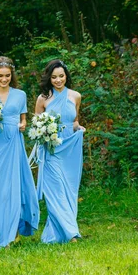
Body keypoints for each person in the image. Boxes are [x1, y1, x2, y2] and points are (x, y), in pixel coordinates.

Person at [0, 56, 39, 248]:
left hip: (14, 142)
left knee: (14, 188)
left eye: (7, 76)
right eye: (0, 76)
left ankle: (13, 232)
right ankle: (3, 231)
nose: (4, 79)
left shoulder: (20, 95)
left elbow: (23, 119)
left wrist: (23, 125)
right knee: (0, 191)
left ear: (11, 76)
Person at [34, 59, 85, 243]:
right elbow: (37, 124)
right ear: (49, 78)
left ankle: (59, 231)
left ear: (66, 76)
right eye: (54, 77)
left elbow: (74, 120)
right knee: (55, 189)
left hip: (70, 149)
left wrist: (79, 128)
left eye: (61, 76)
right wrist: (45, 133)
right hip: (52, 149)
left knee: (69, 189)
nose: (58, 80)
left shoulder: (75, 96)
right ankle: (71, 233)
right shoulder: (43, 99)